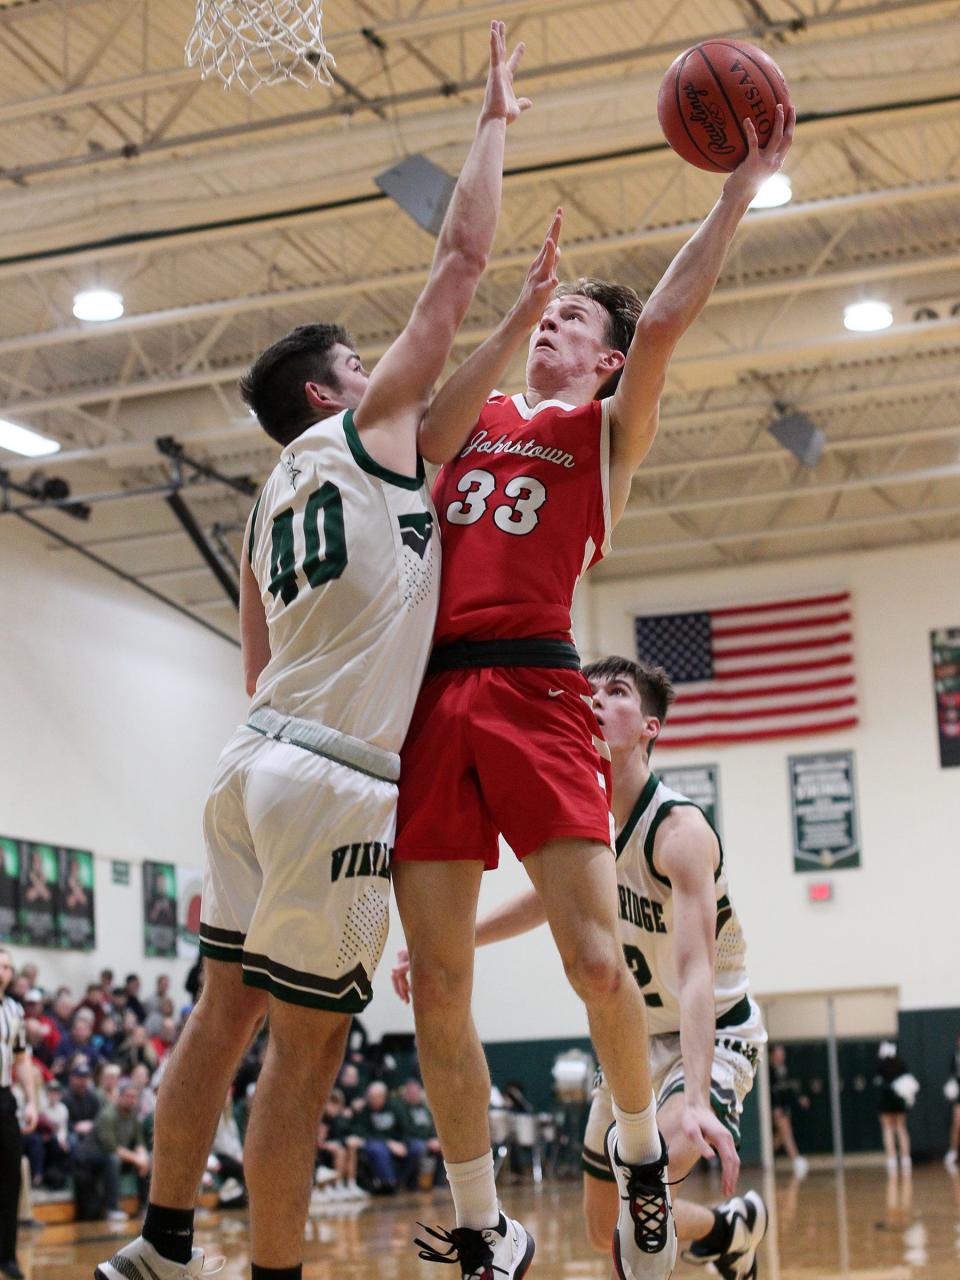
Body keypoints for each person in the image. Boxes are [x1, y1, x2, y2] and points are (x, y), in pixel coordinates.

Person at [97, 24, 540, 1280]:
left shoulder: (274, 497)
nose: (386, 368)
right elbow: (458, 249)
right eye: (362, 364)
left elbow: (254, 659)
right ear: (326, 392)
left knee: (218, 1011)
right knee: (309, 1054)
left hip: (247, 759)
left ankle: (166, 1239)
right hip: (336, 776)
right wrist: (493, 118)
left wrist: (507, 334)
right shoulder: (361, 428)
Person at [391, 95, 795, 1280]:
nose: (550, 329)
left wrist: (732, 193)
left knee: (591, 961)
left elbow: (665, 317)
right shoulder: (475, 418)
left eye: (569, 319)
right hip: (432, 701)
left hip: (531, 681)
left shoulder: (603, 432)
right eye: (547, 317)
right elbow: (415, 420)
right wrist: (512, 299)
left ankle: (638, 1156)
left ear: (604, 358)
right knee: (439, 986)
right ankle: (482, 1223)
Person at [395, 656, 768, 1277]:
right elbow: (547, 901)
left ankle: (705, 1180)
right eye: (587, 690)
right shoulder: (585, 821)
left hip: (713, 1033)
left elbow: (697, 970)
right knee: (603, 1231)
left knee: (644, 1195)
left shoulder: (678, 831)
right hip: (632, 1038)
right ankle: (729, 1230)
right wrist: (456, 939)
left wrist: (699, 1096)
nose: (595, 700)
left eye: (616, 692)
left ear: (650, 726)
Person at [0, 947, 38, 1280]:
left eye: (7, 966)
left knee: (10, 1177)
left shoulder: (14, 1010)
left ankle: (7, 1255)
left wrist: (31, 1101)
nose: (3, 971)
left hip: (4, 1099)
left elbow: (22, 1059)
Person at [74, 1081, 150, 1223]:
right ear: (119, 1097)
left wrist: (143, 1157)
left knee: (148, 1160)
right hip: (91, 1157)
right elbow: (111, 1147)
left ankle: (144, 1206)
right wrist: (137, 1159)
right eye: (128, 1096)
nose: (131, 1100)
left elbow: (139, 1141)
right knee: (113, 1159)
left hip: (116, 1155)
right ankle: (112, 1209)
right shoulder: (108, 1115)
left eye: (134, 1097)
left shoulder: (133, 1115)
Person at [875, 1041, 917, 1173]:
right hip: (899, 1100)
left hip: (887, 1099)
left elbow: (879, 1081)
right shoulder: (900, 1064)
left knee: (888, 1128)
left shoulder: (881, 1065)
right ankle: (905, 1159)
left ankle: (892, 1159)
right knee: (901, 1128)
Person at [768, 1044, 809, 1178]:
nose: (781, 1057)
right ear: (772, 1055)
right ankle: (796, 1160)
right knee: (787, 1131)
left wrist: (800, 1098)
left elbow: (789, 1088)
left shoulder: (784, 1070)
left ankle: (765, 1155)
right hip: (776, 1109)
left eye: (782, 1054)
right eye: (778, 1054)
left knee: (781, 1136)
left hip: (785, 1107)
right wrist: (775, 1107)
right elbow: (771, 1093)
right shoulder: (768, 1072)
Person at [945, 1033, 960, 1169]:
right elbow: (952, 1078)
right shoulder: (955, 1057)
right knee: (957, 1124)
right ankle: (953, 1152)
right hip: (959, 1098)